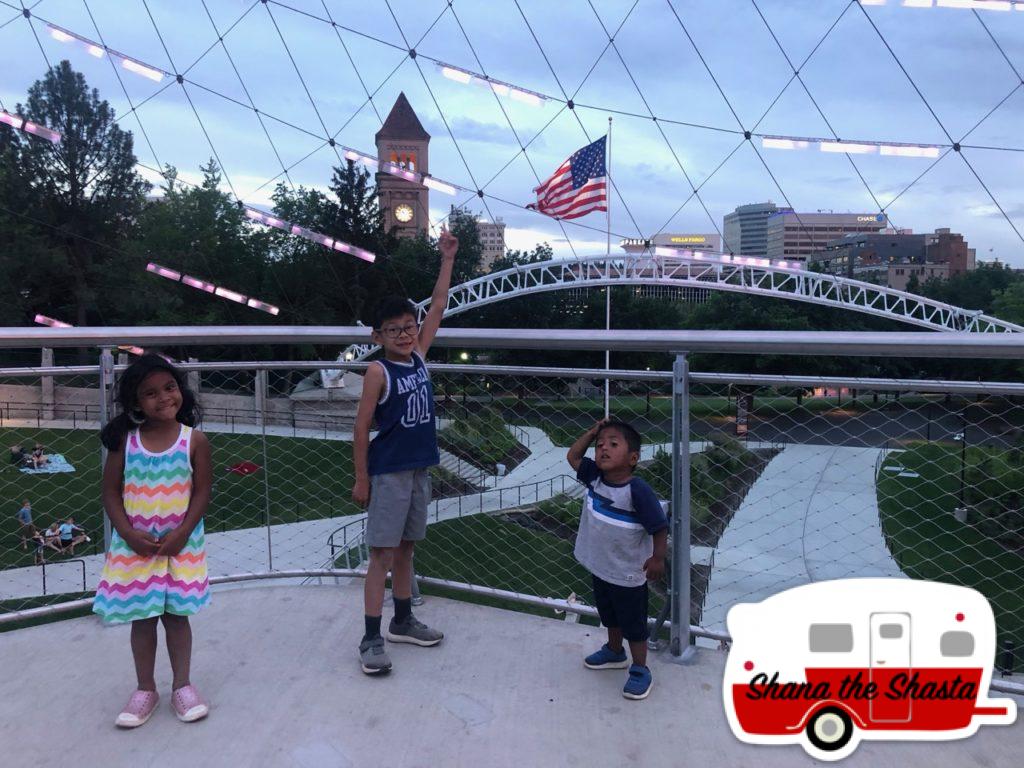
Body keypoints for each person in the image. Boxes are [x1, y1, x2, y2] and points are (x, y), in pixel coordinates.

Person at [351, 225, 458, 675]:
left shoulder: (418, 356)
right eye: (393, 330)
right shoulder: (378, 370)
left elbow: (438, 305)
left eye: (408, 327)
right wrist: (361, 478)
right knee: (380, 554)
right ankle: (371, 636)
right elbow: (360, 428)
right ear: (378, 335)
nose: (404, 334)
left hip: (418, 468)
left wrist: (447, 259)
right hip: (389, 470)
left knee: (407, 549)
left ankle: (403, 620)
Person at [92, 353, 212, 728]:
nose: (163, 398)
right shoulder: (125, 443)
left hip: (181, 548)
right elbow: (110, 493)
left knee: (177, 617)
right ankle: (145, 688)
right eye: (150, 393)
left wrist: (181, 534)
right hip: (136, 549)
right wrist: (127, 534)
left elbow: (202, 492)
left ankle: (182, 685)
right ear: (135, 403)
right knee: (142, 619)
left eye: (170, 387)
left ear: (181, 391)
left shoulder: (194, 440)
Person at [567, 419, 668, 701]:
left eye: (613, 444)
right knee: (608, 614)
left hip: (627, 573)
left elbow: (659, 526)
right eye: (600, 445)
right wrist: (590, 431)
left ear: (633, 457)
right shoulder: (593, 477)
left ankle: (640, 668)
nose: (603, 449)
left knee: (633, 623)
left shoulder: (637, 490)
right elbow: (573, 456)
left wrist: (658, 558)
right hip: (601, 567)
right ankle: (614, 651)